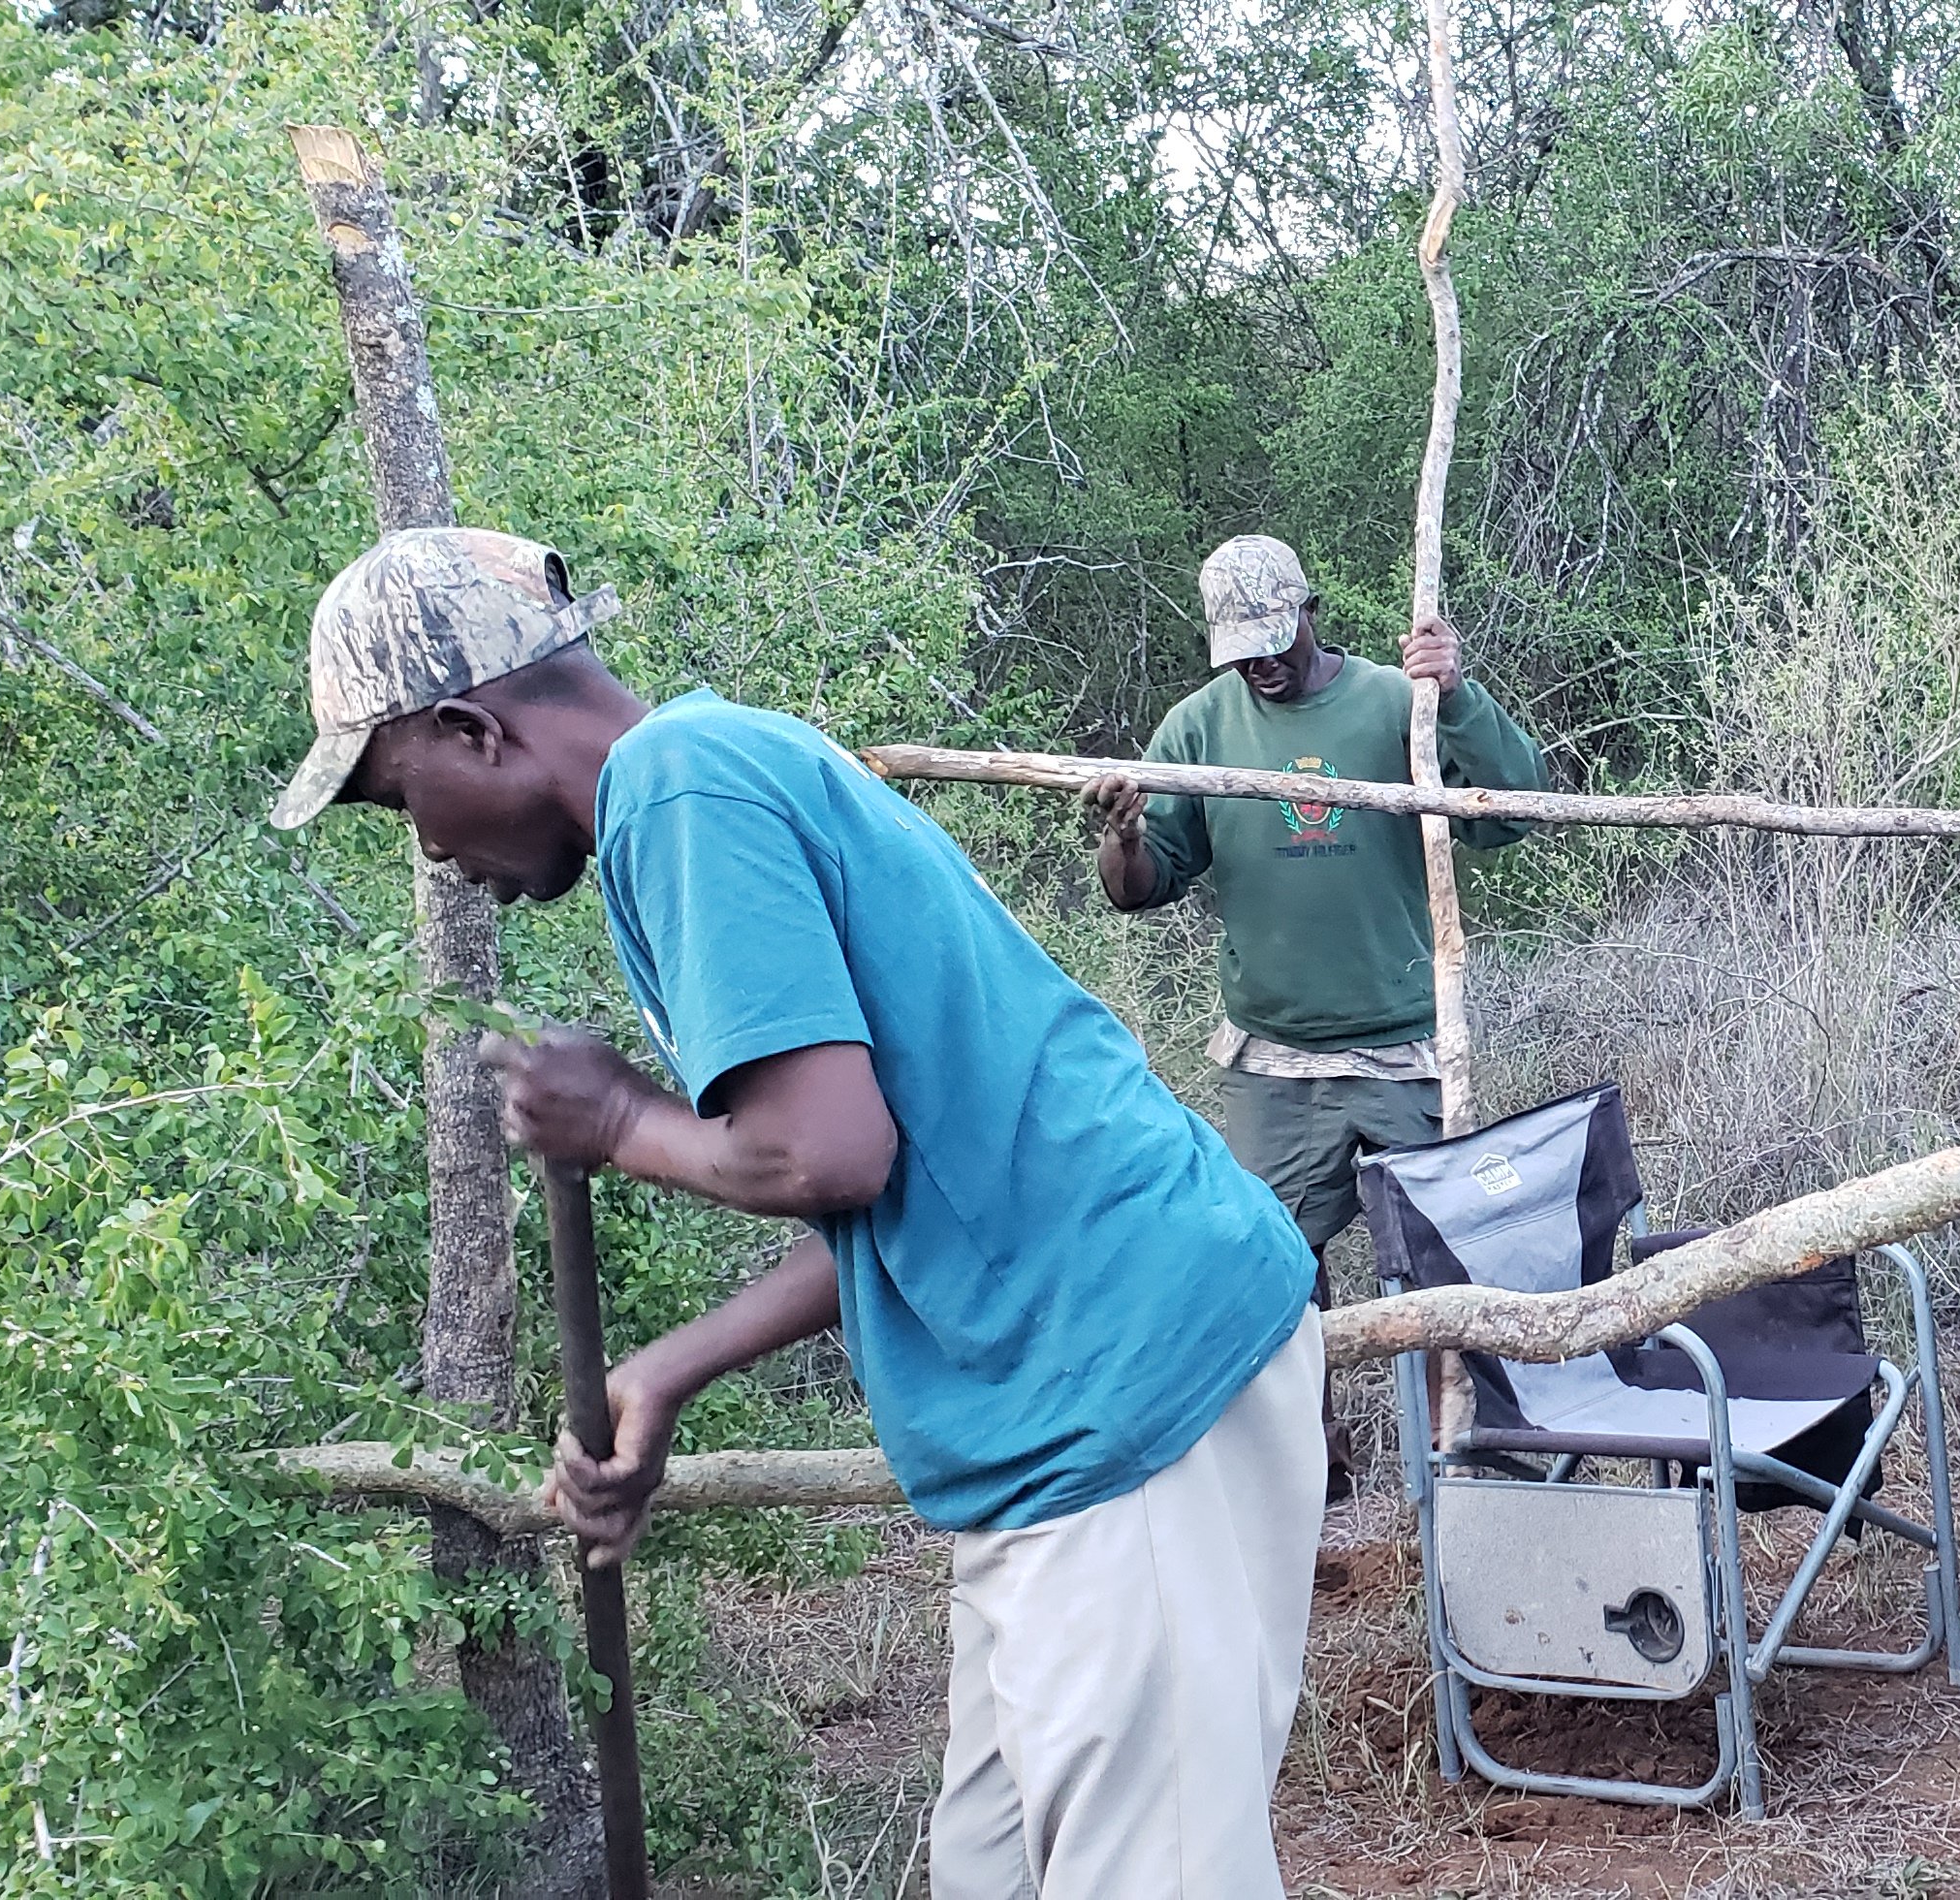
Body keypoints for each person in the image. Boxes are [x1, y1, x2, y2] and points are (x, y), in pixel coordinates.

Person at [269, 526, 1323, 1899]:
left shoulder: (679, 790)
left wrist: (616, 1121)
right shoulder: (701, 783)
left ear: (472, 729)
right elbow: (909, 1187)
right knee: (991, 1871)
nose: (432, 855)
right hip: (1056, 1413)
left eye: (400, 801)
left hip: (1124, 1399)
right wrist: (667, 1369)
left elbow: (831, 1156)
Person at [1087, 536, 1545, 1487]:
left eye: (1273, 636)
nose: (1261, 659)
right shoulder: (1198, 728)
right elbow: (1142, 887)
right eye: (1240, 645)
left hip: (1404, 1046)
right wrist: (1121, 836)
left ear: (1310, 609)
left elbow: (1513, 813)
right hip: (1275, 1059)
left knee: (1439, 1259)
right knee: (1270, 1266)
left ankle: (1454, 1454)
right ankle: (1308, 1463)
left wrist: (1454, 693)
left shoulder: (1394, 702)